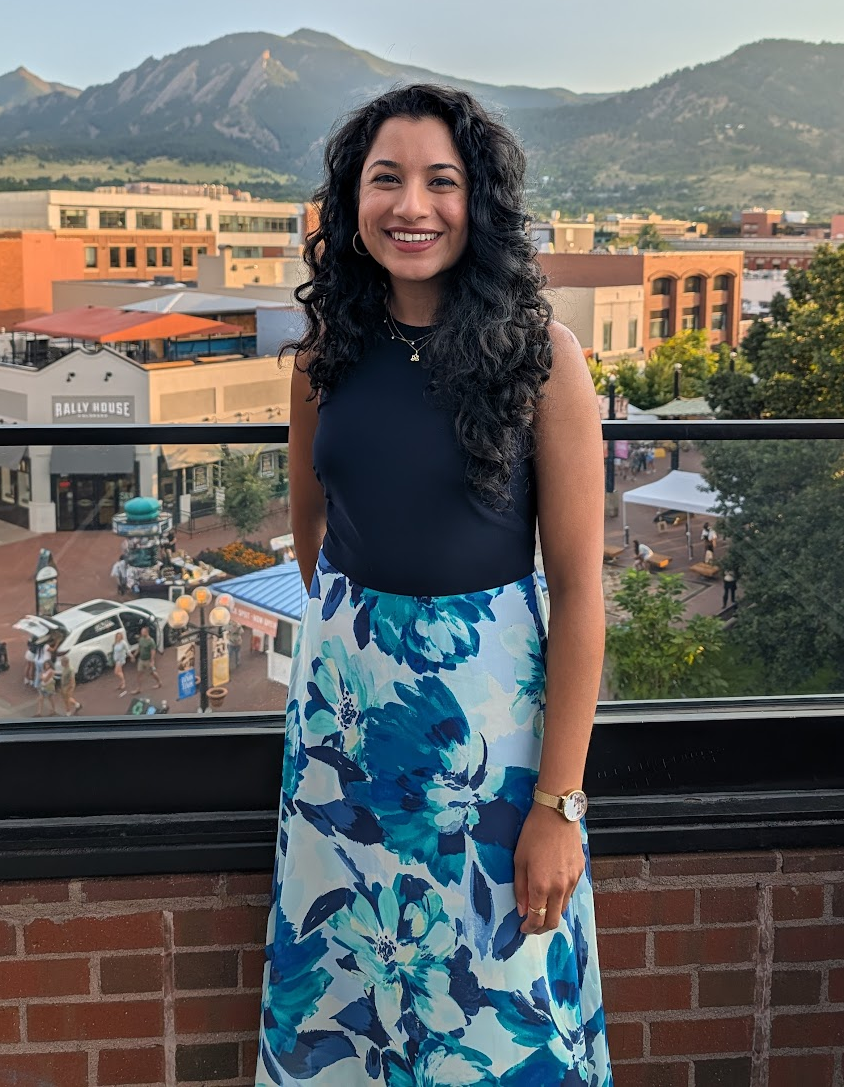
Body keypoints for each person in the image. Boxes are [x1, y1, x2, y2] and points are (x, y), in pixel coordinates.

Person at [254, 84, 613, 1084]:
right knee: (350, 992)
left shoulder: (544, 360)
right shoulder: (324, 356)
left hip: (488, 738)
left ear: (478, 204)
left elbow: (579, 594)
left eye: (439, 182)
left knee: (494, 1007)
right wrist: (352, 648)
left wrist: (557, 806)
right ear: (350, 203)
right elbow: (312, 532)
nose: (411, 206)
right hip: (343, 728)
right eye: (385, 180)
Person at [130, 625, 161, 693]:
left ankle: (159, 682)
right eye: (141, 631)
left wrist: (152, 661)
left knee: (152, 673)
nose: (141, 633)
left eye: (143, 632)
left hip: (148, 660)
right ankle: (138, 689)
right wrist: (134, 655)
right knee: (139, 674)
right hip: (141, 659)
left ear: (147, 632)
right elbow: (139, 648)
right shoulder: (141, 639)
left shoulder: (151, 641)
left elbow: (153, 651)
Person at [35, 645, 59, 717]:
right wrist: (41, 677)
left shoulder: (51, 671)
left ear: (50, 665)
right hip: (43, 686)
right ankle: (39, 712)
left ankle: (53, 710)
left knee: (50, 698)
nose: (46, 666)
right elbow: (41, 677)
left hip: (48, 687)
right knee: (40, 699)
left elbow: (44, 679)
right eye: (45, 664)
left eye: (47, 664)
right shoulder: (45, 670)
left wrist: (42, 677)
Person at [57, 649, 82, 715]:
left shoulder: (70, 669)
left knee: (66, 700)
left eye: (62, 663)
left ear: (65, 663)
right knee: (66, 698)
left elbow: (72, 680)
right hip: (64, 686)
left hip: (68, 686)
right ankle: (77, 705)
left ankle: (68, 712)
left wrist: (68, 688)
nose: (61, 664)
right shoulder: (65, 668)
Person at [112, 628, 130, 697]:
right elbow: (115, 651)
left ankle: (123, 682)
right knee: (120, 671)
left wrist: (131, 656)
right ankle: (121, 683)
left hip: (121, 659)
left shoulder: (123, 643)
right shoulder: (116, 643)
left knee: (116, 672)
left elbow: (127, 650)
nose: (118, 637)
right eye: (117, 636)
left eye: (119, 636)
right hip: (117, 659)